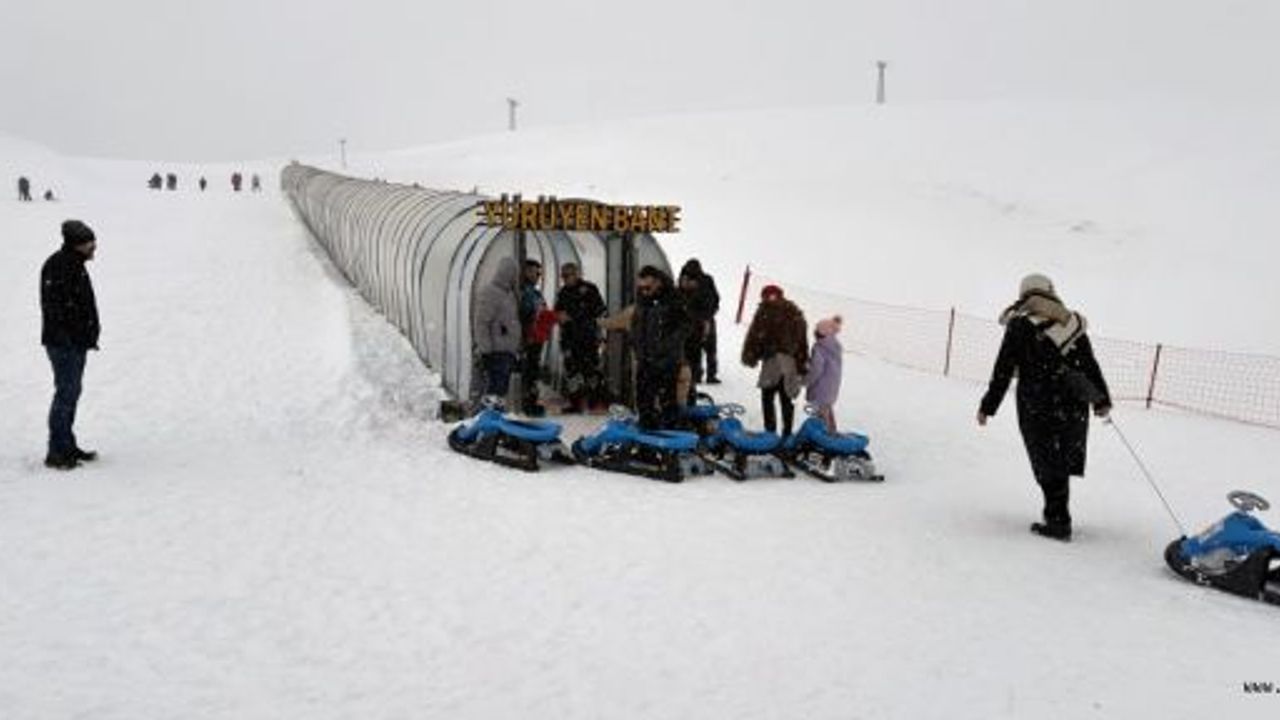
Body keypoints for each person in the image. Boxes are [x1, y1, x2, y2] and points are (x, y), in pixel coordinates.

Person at [978, 273, 1112, 542]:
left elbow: (1003, 369)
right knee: (1060, 458)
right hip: (1072, 403)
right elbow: (1089, 364)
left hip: (1037, 401)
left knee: (1045, 460)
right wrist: (1101, 400)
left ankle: (1058, 520)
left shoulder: (1020, 324)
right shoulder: (1072, 323)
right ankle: (1058, 515)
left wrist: (988, 406)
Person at [40, 220, 101, 470]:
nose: (94, 247)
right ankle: (56, 452)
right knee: (65, 394)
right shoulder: (59, 266)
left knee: (71, 394)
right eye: (89, 243)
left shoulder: (74, 264)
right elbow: (55, 309)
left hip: (75, 343)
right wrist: (69, 338)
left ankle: (67, 445)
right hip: (64, 344)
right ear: (76, 244)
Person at [741, 284, 808, 437]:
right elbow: (802, 342)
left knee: (772, 397)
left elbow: (756, 335)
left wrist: (751, 354)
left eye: (770, 296)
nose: (769, 299)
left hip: (777, 361)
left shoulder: (771, 312)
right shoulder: (793, 313)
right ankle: (781, 433)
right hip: (783, 362)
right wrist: (802, 363)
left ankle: (774, 433)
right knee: (780, 397)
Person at [630, 265, 687, 429]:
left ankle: (670, 437)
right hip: (645, 358)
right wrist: (636, 344)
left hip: (666, 360)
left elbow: (685, 326)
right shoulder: (642, 299)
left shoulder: (673, 298)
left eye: (647, 287)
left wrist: (665, 346)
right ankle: (646, 436)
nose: (644, 291)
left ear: (657, 282)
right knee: (643, 400)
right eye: (641, 288)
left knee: (667, 401)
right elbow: (637, 324)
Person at [554, 262, 606, 412]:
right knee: (572, 372)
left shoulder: (589, 289)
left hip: (588, 337)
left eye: (568, 275)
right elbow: (558, 312)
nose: (566, 279)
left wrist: (575, 317)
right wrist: (559, 317)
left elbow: (600, 310)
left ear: (577, 274)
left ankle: (594, 402)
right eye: (563, 276)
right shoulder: (563, 293)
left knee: (591, 371)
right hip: (570, 339)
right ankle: (575, 403)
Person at [472, 257, 521, 403]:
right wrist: (485, 349)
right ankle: (490, 417)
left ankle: (496, 415)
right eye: (514, 274)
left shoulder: (509, 294)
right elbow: (481, 323)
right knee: (494, 390)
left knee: (500, 391)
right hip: (495, 351)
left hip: (506, 351)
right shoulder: (490, 293)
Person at [517, 259, 553, 416]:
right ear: (525, 272)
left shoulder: (534, 292)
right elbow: (525, 315)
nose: (537, 276)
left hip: (536, 338)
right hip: (530, 339)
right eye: (534, 272)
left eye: (539, 273)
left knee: (533, 370)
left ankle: (531, 401)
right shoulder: (524, 292)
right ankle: (528, 404)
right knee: (529, 371)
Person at [678, 259, 720, 384]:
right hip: (693, 320)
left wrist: (708, 315)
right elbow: (680, 300)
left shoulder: (706, 280)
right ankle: (696, 375)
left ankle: (710, 375)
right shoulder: (683, 281)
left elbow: (715, 299)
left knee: (709, 348)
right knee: (694, 349)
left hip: (704, 319)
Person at [805, 316, 844, 432]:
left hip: (820, 388)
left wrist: (806, 381)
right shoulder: (835, 346)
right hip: (831, 387)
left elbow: (816, 370)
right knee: (827, 411)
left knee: (821, 416)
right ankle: (832, 432)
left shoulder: (820, 348)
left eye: (816, 331)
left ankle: (826, 439)